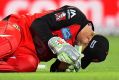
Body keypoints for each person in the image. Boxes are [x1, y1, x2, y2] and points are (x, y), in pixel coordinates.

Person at [0, 5, 108, 72]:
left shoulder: (76, 44)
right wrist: (55, 42)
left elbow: (54, 68)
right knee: (10, 43)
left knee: (28, 65)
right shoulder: (75, 16)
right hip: (18, 28)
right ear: (88, 39)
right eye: (84, 52)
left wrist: (64, 67)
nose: (79, 54)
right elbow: (37, 24)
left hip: (29, 52)